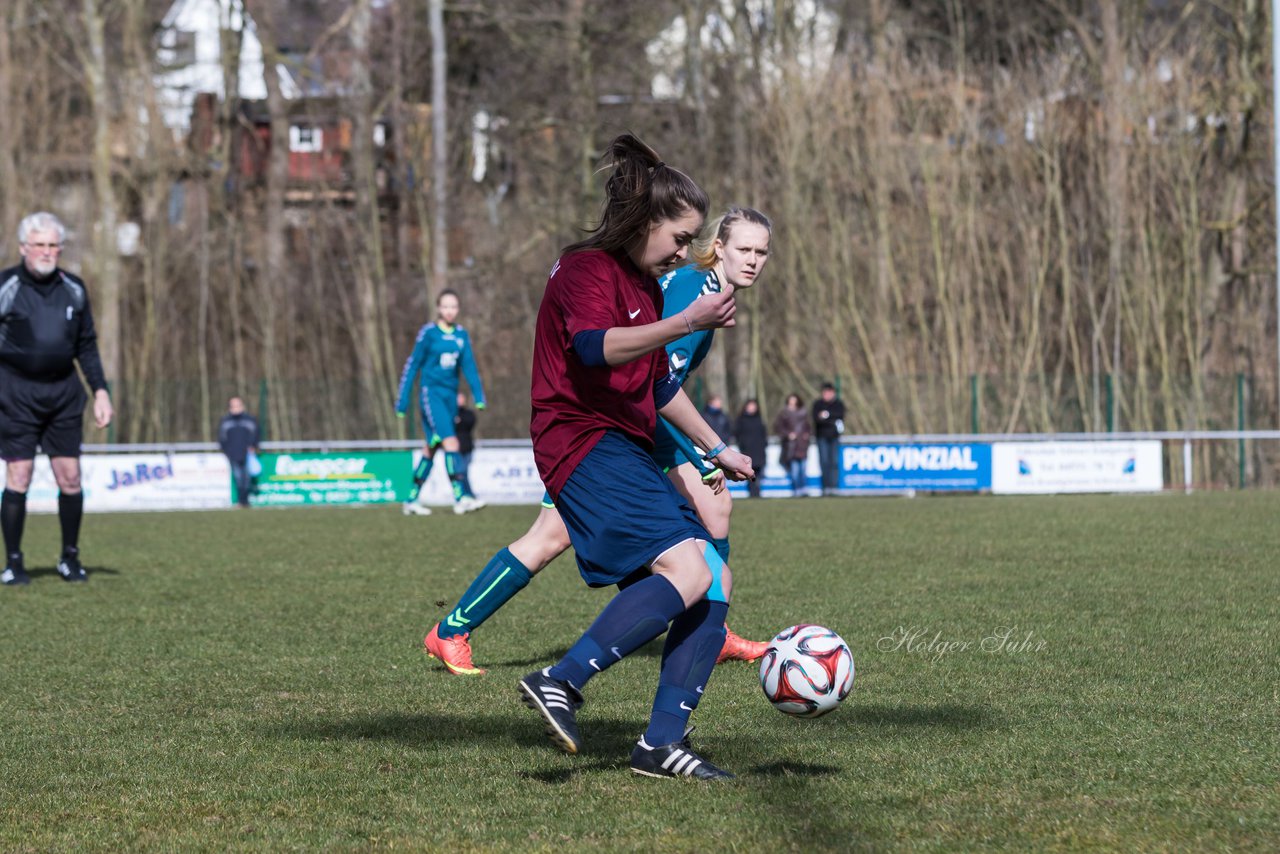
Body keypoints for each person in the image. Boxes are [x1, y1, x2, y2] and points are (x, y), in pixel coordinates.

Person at [423, 207, 774, 680]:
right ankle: (452, 631)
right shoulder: (696, 289)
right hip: (610, 429)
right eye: (744, 249)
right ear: (719, 247)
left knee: (707, 509)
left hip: (633, 424)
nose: (753, 260)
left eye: (761, 251)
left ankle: (712, 628)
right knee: (550, 538)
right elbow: (656, 381)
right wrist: (707, 451)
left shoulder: (708, 291)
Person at [514, 134, 755, 781]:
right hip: (579, 440)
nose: (685, 251)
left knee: (714, 579)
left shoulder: (646, 289)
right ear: (645, 223)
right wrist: (687, 321)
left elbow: (656, 385)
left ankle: (659, 745)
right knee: (689, 565)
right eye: (679, 237)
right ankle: (560, 680)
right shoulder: (584, 270)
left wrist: (717, 446)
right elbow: (596, 350)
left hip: (621, 445)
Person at [0, 212, 113, 585]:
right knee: (20, 474)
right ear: (23, 248)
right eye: (40, 245)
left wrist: (100, 391)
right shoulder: (6, 287)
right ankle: (14, 562)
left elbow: (87, 345)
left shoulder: (75, 289)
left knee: (70, 476)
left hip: (64, 394)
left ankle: (70, 558)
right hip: (15, 394)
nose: (47, 252)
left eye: (53, 245)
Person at [395, 289, 487, 516]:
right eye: (445, 306)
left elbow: (469, 366)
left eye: (454, 307)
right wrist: (403, 400)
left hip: (449, 397)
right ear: (438, 308)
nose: (449, 311)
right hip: (431, 395)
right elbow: (412, 365)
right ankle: (461, 497)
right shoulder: (428, 333)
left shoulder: (461, 335)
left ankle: (411, 499)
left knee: (431, 448)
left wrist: (479, 395)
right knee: (451, 442)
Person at [218, 396, 260, 508]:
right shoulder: (225, 421)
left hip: (247, 454)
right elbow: (222, 438)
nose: (235, 408)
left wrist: (253, 446)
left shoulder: (249, 420)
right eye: (233, 406)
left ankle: (245, 501)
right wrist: (227, 451)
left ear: (242, 406)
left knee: (246, 478)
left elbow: (256, 434)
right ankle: (241, 501)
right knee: (238, 477)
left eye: (238, 405)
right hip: (232, 454)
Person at [812, 382, 845, 495]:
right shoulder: (818, 404)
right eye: (824, 392)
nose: (826, 394)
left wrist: (827, 416)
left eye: (829, 392)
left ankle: (834, 487)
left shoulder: (838, 404)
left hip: (835, 437)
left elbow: (840, 415)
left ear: (833, 393)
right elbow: (816, 419)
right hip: (821, 437)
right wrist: (830, 419)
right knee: (824, 462)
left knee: (834, 462)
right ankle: (825, 487)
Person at [774, 393, 810, 497]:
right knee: (794, 471)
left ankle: (803, 489)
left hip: (802, 445)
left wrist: (806, 435)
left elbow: (808, 427)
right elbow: (778, 428)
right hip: (790, 447)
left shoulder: (804, 414)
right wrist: (788, 435)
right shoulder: (783, 414)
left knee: (803, 470)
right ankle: (797, 489)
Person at [733, 399, 767, 498]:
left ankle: (757, 492)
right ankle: (753, 493)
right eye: (750, 406)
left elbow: (763, 434)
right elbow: (737, 434)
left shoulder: (759, 419)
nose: (752, 408)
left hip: (759, 450)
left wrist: (764, 444)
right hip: (747, 450)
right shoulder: (741, 420)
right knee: (749, 472)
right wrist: (742, 444)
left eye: (754, 406)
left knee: (759, 472)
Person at [453, 392, 481, 505]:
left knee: (463, 472)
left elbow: (469, 423)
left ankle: (468, 495)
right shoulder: (451, 413)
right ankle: (465, 495)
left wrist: (459, 420)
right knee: (459, 473)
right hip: (455, 449)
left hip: (467, 448)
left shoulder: (468, 414)